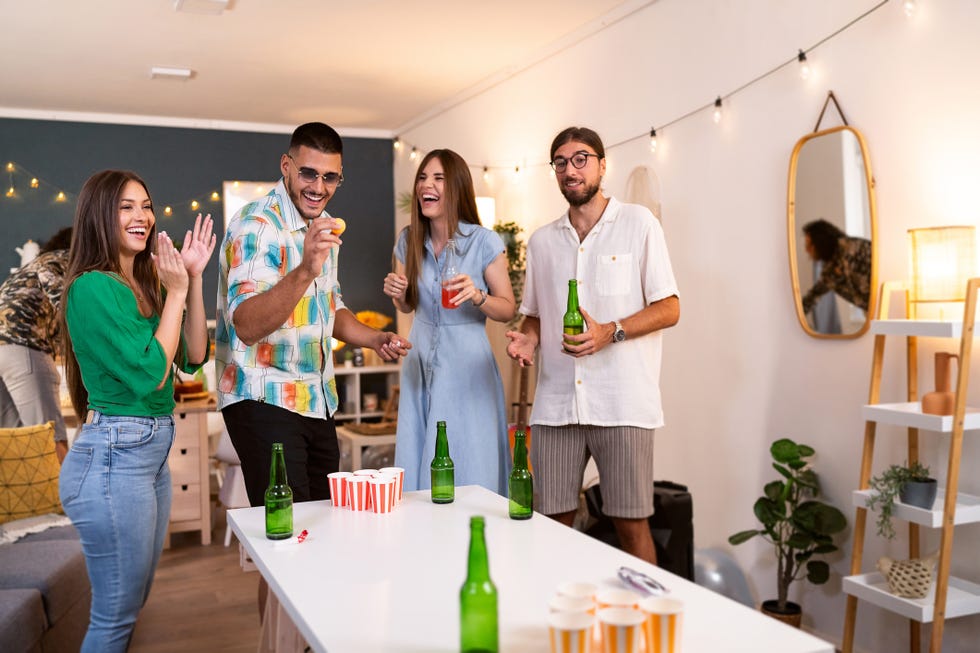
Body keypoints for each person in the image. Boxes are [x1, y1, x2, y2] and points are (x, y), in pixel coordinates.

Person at [505, 127, 679, 564]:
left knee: (630, 524)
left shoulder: (639, 224)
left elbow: (670, 307)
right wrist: (527, 338)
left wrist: (611, 331)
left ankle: (649, 626)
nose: (570, 169)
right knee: (549, 524)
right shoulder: (542, 241)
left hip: (622, 401)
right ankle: (554, 622)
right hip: (557, 404)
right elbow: (536, 314)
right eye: (560, 162)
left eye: (581, 159)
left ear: (603, 165)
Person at [58, 170, 215, 652]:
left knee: (133, 602)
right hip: (111, 460)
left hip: (146, 462)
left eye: (145, 205)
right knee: (115, 618)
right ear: (100, 215)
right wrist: (178, 295)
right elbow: (151, 373)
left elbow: (193, 355)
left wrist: (191, 278)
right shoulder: (91, 288)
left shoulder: (147, 282)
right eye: (126, 206)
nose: (142, 216)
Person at [216, 121, 410, 509]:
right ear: (286, 165)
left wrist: (374, 338)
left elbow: (329, 309)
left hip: (315, 399)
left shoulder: (322, 229)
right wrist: (306, 268)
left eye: (330, 177)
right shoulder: (257, 226)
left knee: (320, 529)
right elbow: (247, 325)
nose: (318, 187)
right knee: (289, 532)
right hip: (264, 398)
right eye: (308, 172)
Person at [384, 149, 516, 494]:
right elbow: (408, 304)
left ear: (456, 187)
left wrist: (478, 296)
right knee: (419, 456)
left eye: (438, 178)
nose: (426, 185)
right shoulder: (408, 239)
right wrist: (397, 292)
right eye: (423, 178)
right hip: (420, 360)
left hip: (468, 365)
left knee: (470, 457)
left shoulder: (483, 241)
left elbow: (508, 308)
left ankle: (474, 533)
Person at [0, 226, 73, 462]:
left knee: (16, 443)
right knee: (49, 440)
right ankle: (70, 499)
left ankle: (33, 500)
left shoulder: (30, 268)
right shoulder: (62, 260)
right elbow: (71, 312)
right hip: (24, 346)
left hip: (4, 350)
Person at [800, 218, 872, 315]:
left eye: (809, 245)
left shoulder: (851, 248)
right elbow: (814, 295)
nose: (807, 250)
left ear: (820, 242)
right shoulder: (829, 270)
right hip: (872, 311)